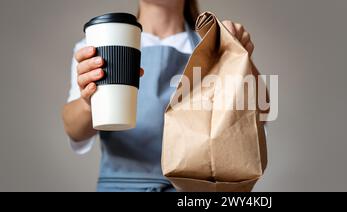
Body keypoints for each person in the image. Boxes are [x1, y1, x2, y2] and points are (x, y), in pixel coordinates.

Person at [62, 0, 256, 192]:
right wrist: (89, 102)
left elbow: (252, 122)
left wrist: (240, 61)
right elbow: (75, 131)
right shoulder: (99, 42)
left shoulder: (213, 46)